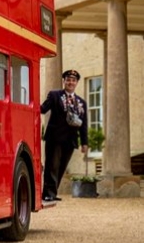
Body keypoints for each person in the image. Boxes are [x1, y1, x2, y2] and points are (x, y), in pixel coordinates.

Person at [40, 69, 89, 201]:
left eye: (73, 80)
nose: (70, 82)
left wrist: (84, 142)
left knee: (61, 167)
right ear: (64, 81)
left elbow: (83, 124)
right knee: (52, 165)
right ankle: (48, 194)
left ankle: (52, 192)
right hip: (55, 137)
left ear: (76, 83)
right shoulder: (55, 95)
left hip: (70, 140)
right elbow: (43, 109)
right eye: (68, 80)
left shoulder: (81, 102)